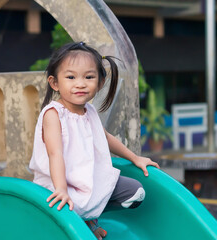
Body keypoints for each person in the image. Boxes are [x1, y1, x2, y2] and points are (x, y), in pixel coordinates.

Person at [29, 42, 160, 240]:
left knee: (136, 193)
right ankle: (85, 222)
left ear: (100, 82)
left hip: (89, 178)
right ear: (55, 83)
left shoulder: (89, 110)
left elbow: (104, 137)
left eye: (89, 77)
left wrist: (135, 158)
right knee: (67, 206)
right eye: (71, 77)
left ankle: (90, 218)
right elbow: (54, 153)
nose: (80, 83)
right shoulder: (53, 114)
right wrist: (61, 190)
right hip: (59, 184)